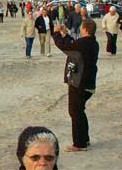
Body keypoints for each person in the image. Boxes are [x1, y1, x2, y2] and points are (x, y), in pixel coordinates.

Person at [53, 19, 99, 152]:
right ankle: (84, 139)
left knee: (75, 112)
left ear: (84, 29)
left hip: (79, 83)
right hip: (88, 81)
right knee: (79, 111)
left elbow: (65, 46)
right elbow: (72, 44)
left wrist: (56, 34)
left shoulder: (84, 43)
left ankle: (79, 143)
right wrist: (65, 34)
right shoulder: (93, 43)